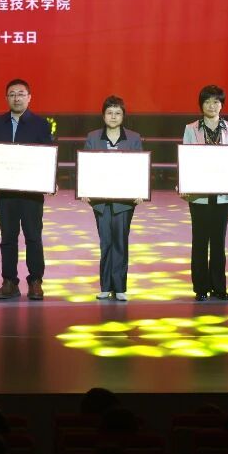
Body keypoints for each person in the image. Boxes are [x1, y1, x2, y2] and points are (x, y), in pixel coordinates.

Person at [0, 78, 55, 301]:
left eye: (21, 94)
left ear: (29, 97)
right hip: (6, 192)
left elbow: (47, 155)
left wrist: (50, 180)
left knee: (33, 237)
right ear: (6, 98)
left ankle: (35, 281)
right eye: (12, 94)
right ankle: (9, 281)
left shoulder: (41, 124)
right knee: (7, 237)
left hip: (31, 194)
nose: (16, 98)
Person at [81, 95, 143, 302]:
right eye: (109, 113)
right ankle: (106, 286)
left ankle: (120, 287)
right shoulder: (93, 137)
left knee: (120, 242)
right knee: (105, 242)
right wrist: (85, 190)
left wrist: (140, 191)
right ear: (103, 115)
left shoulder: (133, 138)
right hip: (100, 200)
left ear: (123, 116)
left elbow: (139, 168)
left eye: (118, 113)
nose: (113, 116)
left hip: (124, 201)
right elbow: (86, 167)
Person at [182, 83, 228, 302]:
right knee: (199, 240)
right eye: (207, 101)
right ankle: (201, 288)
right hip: (199, 194)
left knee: (218, 241)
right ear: (201, 105)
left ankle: (218, 286)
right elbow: (186, 160)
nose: (212, 106)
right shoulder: (191, 129)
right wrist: (185, 186)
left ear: (222, 105)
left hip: (223, 194)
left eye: (216, 101)